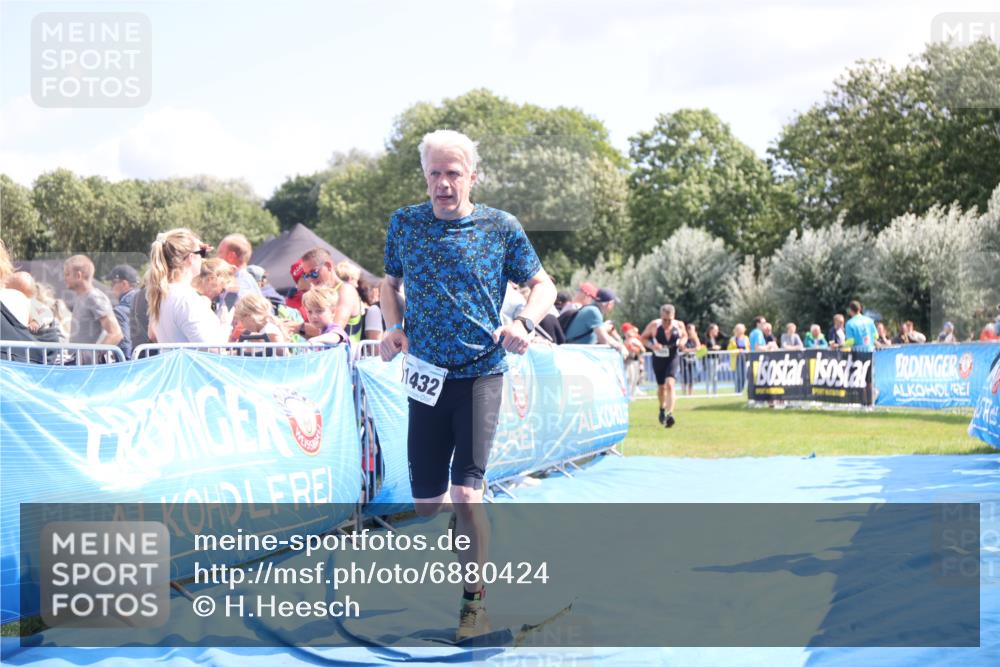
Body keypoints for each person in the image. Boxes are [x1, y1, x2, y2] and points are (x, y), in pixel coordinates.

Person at [379, 129, 555, 641]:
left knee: (465, 492)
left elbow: (542, 283)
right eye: (434, 173)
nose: (442, 183)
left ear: (472, 176)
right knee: (427, 505)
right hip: (426, 378)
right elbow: (389, 283)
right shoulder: (405, 224)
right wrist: (393, 326)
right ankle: (471, 526)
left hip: (481, 371)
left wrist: (523, 323)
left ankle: (474, 602)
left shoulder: (500, 227)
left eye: (452, 173)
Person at [146, 228, 227, 345]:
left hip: (175, 363)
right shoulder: (186, 299)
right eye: (202, 253)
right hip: (192, 363)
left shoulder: (162, 294)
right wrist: (226, 324)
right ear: (191, 258)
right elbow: (213, 349)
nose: (203, 258)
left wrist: (196, 246)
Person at [63, 255, 123, 360]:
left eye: (67, 274)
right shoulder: (80, 297)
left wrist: (95, 358)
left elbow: (116, 333)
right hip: (79, 366)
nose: (65, 278)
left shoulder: (95, 297)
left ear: (78, 275)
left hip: (89, 370)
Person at [300, 248, 363, 344]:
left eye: (314, 273)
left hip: (348, 357)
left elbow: (336, 330)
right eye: (306, 275)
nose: (310, 279)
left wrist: (299, 327)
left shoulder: (346, 290)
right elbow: (321, 330)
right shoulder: (320, 294)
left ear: (328, 266)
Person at [640, 304, 687, 427]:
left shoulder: (679, 325)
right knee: (661, 387)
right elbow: (643, 338)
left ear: (674, 317)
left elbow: (685, 336)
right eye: (664, 320)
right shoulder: (654, 325)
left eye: (669, 320)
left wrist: (682, 342)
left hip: (672, 357)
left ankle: (670, 414)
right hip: (658, 358)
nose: (666, 323)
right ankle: (662, 408)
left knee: (670, 384)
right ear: (661, 317)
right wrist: (651, 346)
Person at [563, 287, 624, 352]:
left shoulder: (590, 308)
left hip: (573, 351)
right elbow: (604, 340)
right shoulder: (594, 311)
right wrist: (621, 347)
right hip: (574, 353)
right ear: (609, 304)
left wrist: (603, 328)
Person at [104, 264, 140, 360]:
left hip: (131, 367)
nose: (111, 288)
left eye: (113, 283)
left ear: (124, 284)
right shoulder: (149, 302)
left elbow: (125, 346)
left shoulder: (120, 311)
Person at [216, 233, 261, 298]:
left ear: (231, 256)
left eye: (220, 253)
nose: (216, 257)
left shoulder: (239, 287)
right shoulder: (245, 281)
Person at [727, 323, 750, 393]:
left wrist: (746, 351)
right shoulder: (733, 339)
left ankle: (741, 390)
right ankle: (738, 391)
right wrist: (738, 351)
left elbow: (748, 347)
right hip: (737, 359)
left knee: (744, 376)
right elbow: (729, 350)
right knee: (738, 376)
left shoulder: (746, 338)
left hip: (744, 359)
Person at [680, 323, 701, 396]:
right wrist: (693, 350)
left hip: (692, 360)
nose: (693, 331)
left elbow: (698, 348)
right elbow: (682, 349)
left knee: (692, 378)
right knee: (684, 377)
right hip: (684, 360)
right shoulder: (683, 337)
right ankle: (684, 394)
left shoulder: (695, 338)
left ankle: (690, 394)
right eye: (692, 329)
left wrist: (689, 350)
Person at [703, 323, 723, 395]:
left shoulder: (716, 338)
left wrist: (718, 347)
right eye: (716, 330)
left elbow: (725, 337)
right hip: (709, 359)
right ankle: (708, 392)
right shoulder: (705, 338)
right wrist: (713, 348)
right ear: (711, 330)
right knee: (709, 376)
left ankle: (715, 392)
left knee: (715, 376)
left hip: (716, 359)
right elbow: (703, 349)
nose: (717, 331)